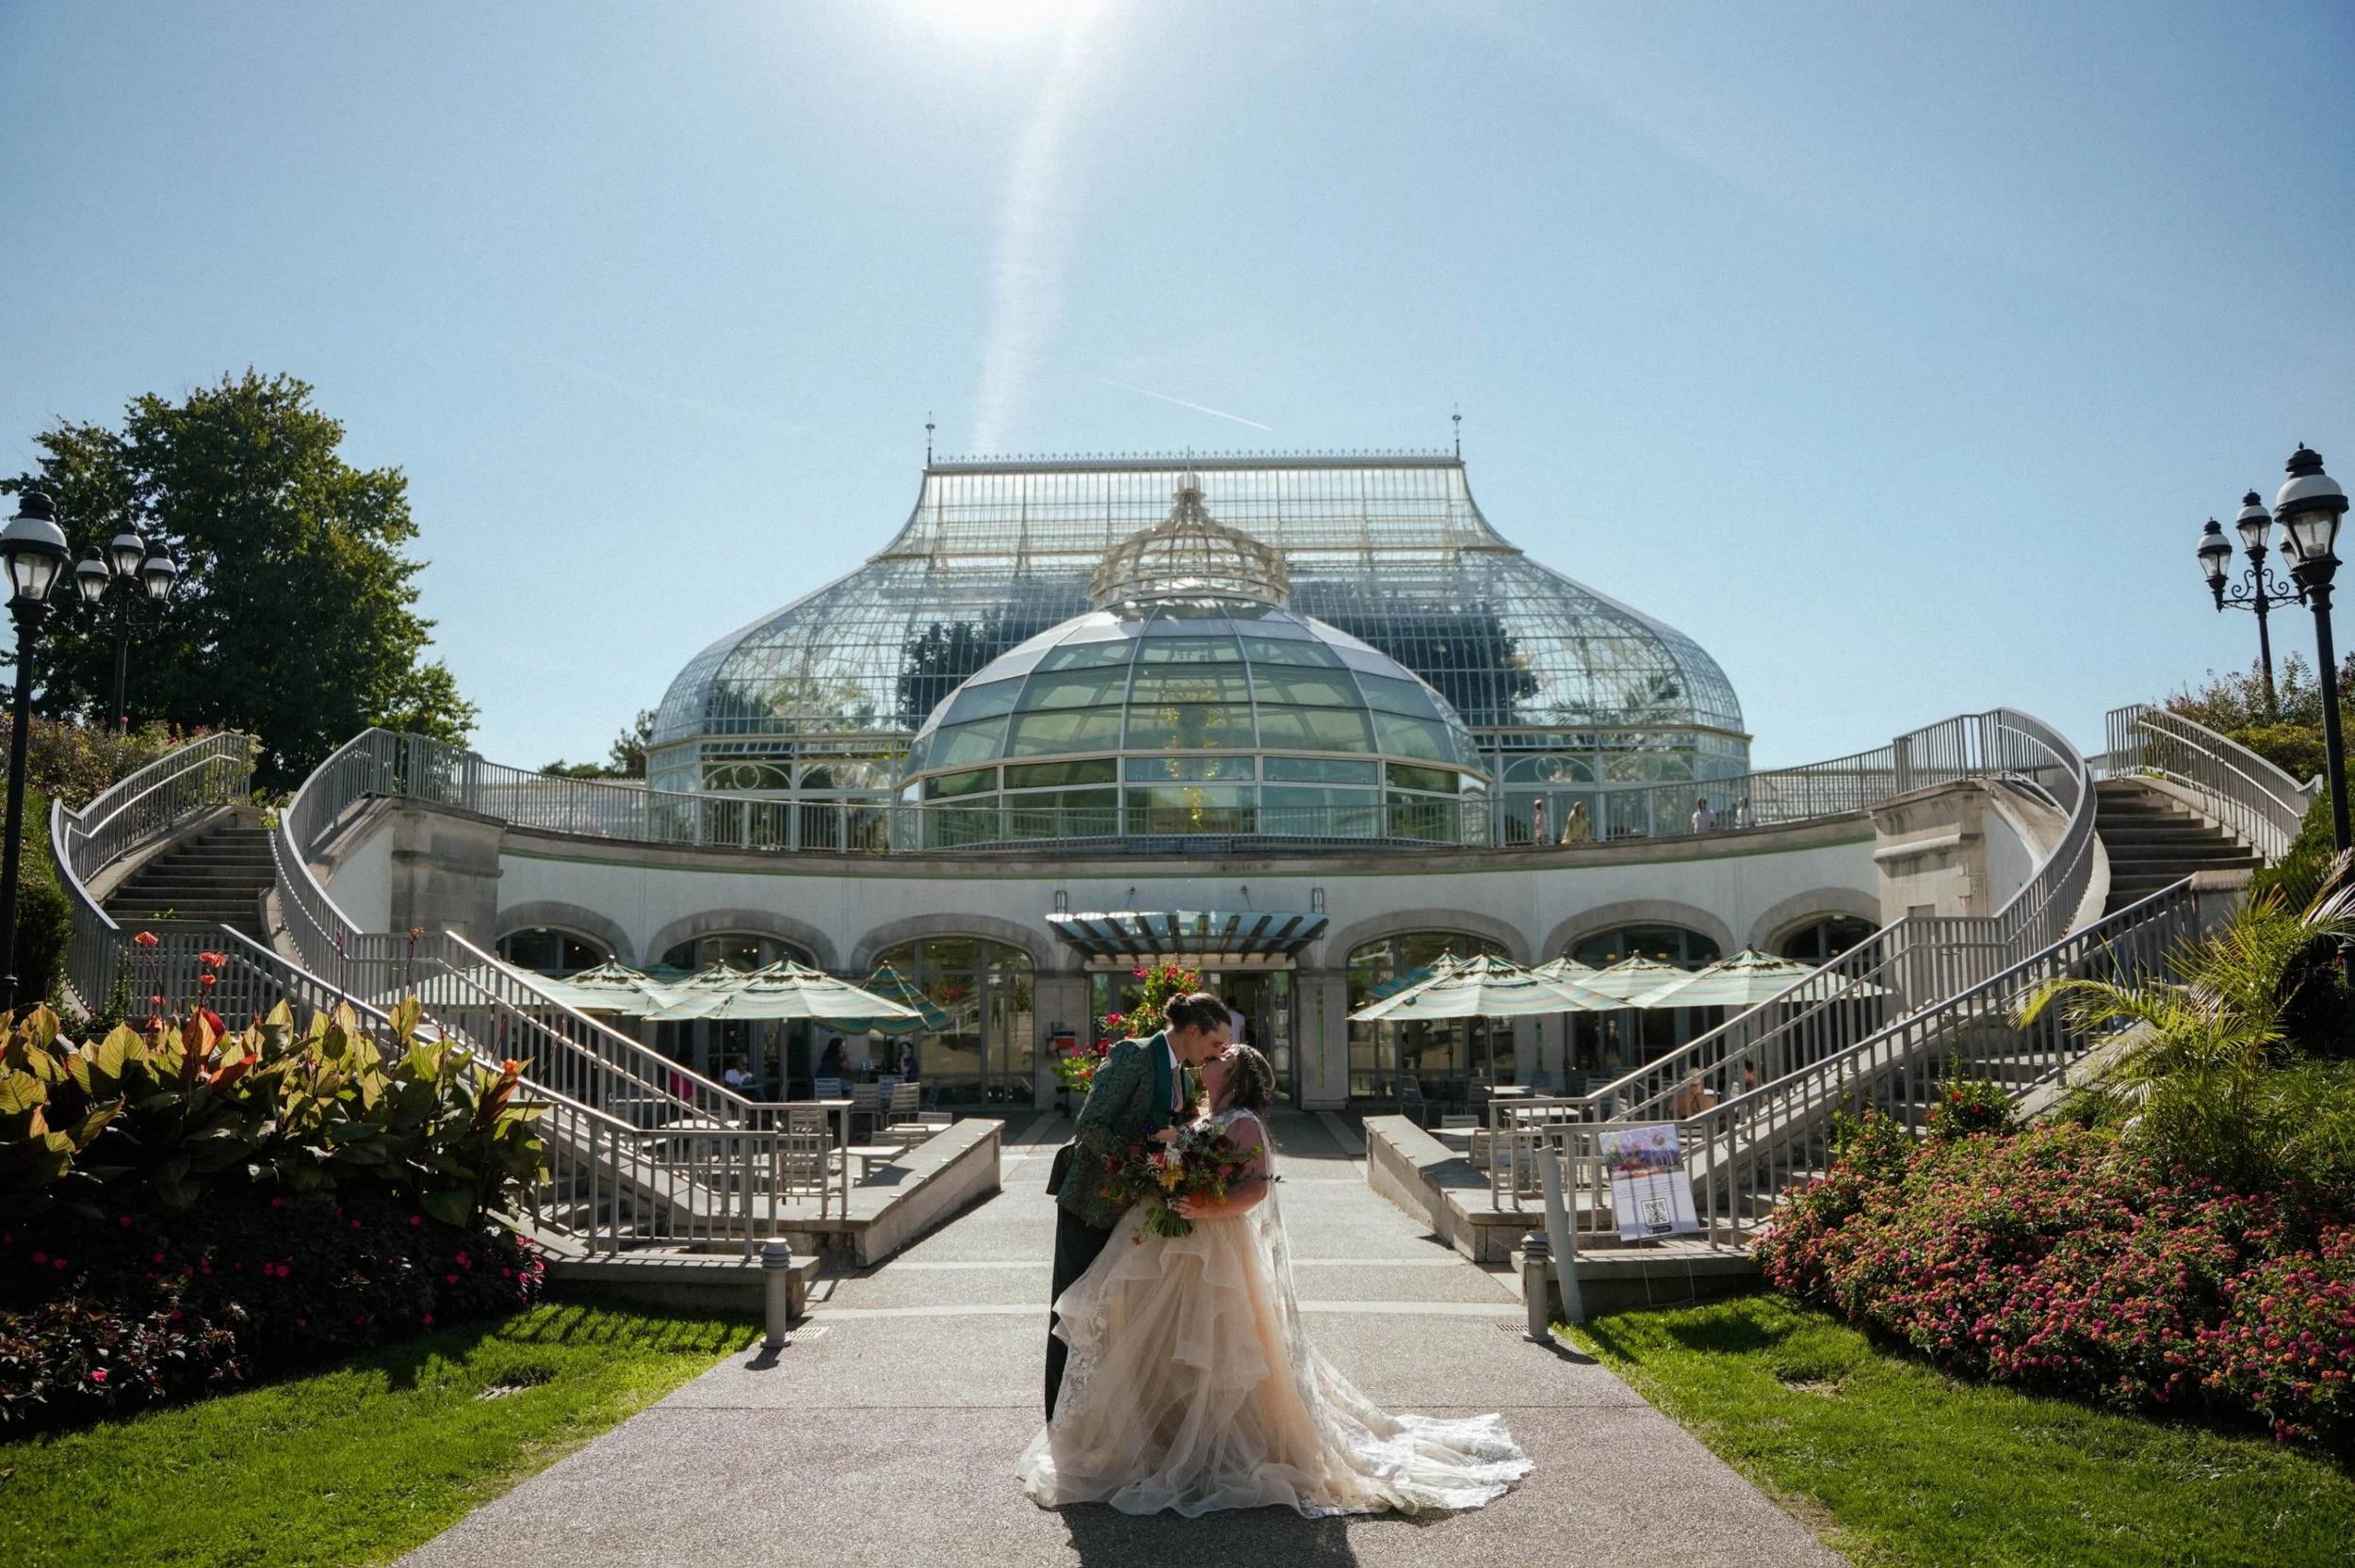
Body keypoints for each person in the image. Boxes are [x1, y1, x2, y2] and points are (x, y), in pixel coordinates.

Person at [1019, 1044, 1531, 1516]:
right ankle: (1169, 1439)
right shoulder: (1206, 1115)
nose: (1210, 1057)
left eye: (1221, 1055)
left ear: (1236, 1074)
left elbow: (1254, 1191)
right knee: (1169, 1342)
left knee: (1218, 1344)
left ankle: (1213, 1448)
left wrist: (1197, 1202)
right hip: (1172, 1243)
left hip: (1212, 1247)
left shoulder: (1241, 1123)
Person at [1043, 992, 1232, 1421]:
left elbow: (1164, 1131)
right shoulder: (1134, 1054)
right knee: (1070, 1315)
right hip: (1090, 1205)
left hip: (1134, 1215)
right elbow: (1090, 1124)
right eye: (1216, 1043)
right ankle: (1059, 1422)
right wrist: (1138, 1160)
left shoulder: (1183, 1077)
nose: (1220, 1052)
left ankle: (1103, 1422)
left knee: (1116, 1320)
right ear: (1194, 1031)